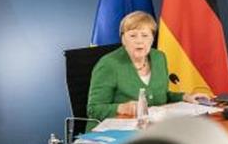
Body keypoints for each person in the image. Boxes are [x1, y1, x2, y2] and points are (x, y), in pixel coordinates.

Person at [86, 11, 214, 129]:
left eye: (145, 35)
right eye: (133, 36)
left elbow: (162, 96)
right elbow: (93, 109)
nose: (139, 41)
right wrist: (121, 108)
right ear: (123, 39)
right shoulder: (109, 64)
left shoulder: (159, 58)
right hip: (113, 134)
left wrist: (186, 97)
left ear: (152, 39)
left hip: (151, 129)